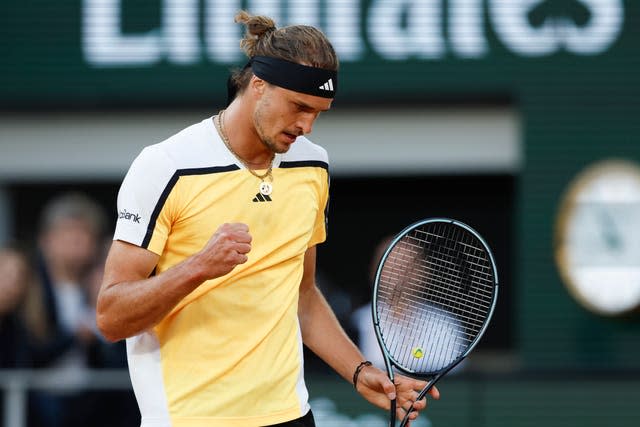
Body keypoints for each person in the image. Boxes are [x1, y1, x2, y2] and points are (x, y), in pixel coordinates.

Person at [96, 10, 439, 427]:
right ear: (258, 86)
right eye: (299, 106)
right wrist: (198, 268)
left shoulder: (313, 166)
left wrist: (359, 371)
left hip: (291, 415)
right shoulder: (166, 166)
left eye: (318, 112)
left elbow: (303, 295)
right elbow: (111, 317)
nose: (307, 126)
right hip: (190, 418)